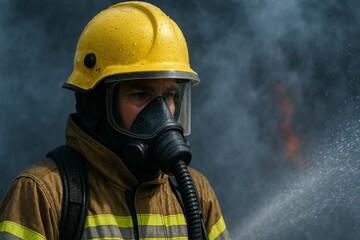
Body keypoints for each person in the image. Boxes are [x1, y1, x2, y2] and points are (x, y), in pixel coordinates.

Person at [0, 2, 230, 240]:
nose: (162, 112)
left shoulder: (195, 192)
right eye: (141, 95)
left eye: (169, 95)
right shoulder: (44, 193)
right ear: (98, 104)